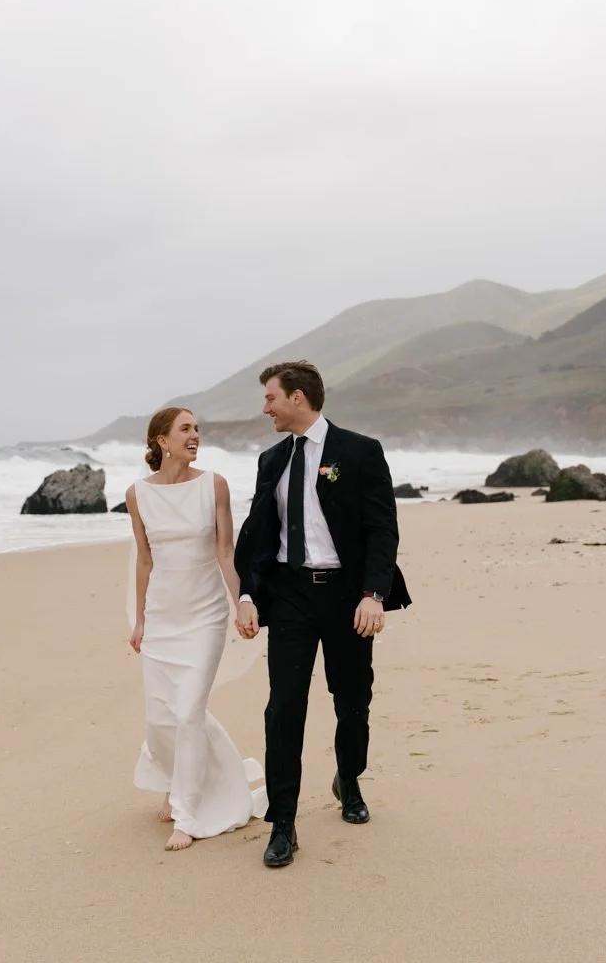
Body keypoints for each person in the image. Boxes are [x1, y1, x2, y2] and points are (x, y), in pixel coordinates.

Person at [233, 360, 410, 868]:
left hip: (347, 596)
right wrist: (248, 594)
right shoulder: (271, 460)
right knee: (283, 706)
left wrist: (373, 594)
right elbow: (261, 535)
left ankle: (349, 777)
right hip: (290, 596)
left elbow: (382, 529)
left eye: (270, 397)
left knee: (353, 702)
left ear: (297, 398)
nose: (264, 407)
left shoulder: (359, 451)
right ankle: (283, 822)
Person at [126, 406, 267, 851]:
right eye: (185, 429)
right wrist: (141, 618)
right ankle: (177, 780)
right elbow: (145, 560)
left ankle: (187, 815)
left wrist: (243, 602)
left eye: (197, 429)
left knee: (187, 711)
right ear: (161, 441)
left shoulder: (214, 486)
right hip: (163, 618)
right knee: (160, 716)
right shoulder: (137, 494)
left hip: (206, 615)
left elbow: (226, 552)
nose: (195, 436)